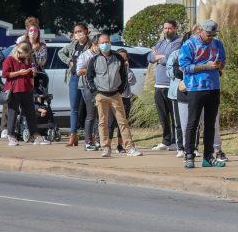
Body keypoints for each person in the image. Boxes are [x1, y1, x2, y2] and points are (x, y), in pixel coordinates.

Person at [178, 20, 226, 168]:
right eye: (208, 34)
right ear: (200, 31)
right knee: (193, 123)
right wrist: (206, 66)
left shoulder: (217, 44)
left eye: (213, 34)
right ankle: (189, 155)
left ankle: (208, 156)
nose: (210, 37)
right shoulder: (189, 45)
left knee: (210, 124)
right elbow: (184, 67)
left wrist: (219, 65)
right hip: (195, 87)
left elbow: (223, 62)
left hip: (213, 86)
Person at [86, 34, 142, 157]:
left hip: (116, 95)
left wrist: (120, 91)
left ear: (110, 43)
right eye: (102, 42)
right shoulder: (94, 60)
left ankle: (129, 148)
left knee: (122, 121)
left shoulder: (118, 58)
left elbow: (124, 76)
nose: (105, 44)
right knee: (103, 122)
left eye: (107, 42)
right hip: (101, 95)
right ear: (98, 45)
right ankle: (105, 148)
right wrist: (95, 92)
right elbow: (89, 78)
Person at [2, 41, 50, 146]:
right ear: (19, 51)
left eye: (28, 54)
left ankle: (36, 136)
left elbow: (32, 74)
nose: (27, 56)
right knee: (12, 113)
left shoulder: (27, 60)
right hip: (14, 90)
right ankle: (11, 136)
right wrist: (19, 73)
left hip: (27, 89)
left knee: (31, 113)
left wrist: (32, 71)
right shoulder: (9, 60)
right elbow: (5, 74)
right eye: (25, 54)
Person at [148, 20, 182, 151]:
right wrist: (159, 56)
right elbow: (150, 58)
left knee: (174, 115)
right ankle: (166, 140)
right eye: (165, 28)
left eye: (169, 28)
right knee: (163, 115)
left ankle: (176, 141)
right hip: (159, 85)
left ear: (175, 29)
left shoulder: (178, 42)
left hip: (171, 85)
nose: (167, 30)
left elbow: (171, 59)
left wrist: (159, 56)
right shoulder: (161, 42)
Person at [58, 23, 92, 147]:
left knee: (90, 108)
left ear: (87, 32)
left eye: (80, 31)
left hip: (86, 79)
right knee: (74, 108)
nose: (77, 34)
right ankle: (73, 135)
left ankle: (91, 136)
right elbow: (60, 53)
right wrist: (69, 61)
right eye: (75, 32)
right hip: (73, 78)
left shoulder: (91, 45)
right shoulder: (73, 44)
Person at [107, 48, 137, 154]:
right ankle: (108, 146)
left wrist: (127, 69)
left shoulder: (128, 69)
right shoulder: (112, 68)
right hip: (113, 97)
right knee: (110, 123)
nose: (123, 60)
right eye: (121, 58)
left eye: (125, 58)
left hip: (125, 98)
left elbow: (132, 81)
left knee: (123, 123)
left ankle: (120, 145)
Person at [76, 34, 101, 151]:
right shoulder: (85, 55)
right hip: (88, 87)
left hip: (101, 87)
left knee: (100, 115)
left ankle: (99, 140)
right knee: (91, 115)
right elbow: (79, 71)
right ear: (93, 44)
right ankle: (88, 141)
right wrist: (91, 68)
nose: (100, 48)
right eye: (99, 45)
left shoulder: (100, 55)